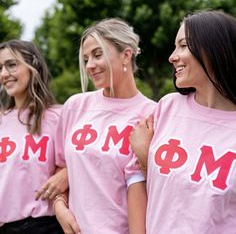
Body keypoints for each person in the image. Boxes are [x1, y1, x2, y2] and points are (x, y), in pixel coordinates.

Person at [130, 10, 236, 234]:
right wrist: (144, 159)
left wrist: (146, 158)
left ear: (215, 48)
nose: (172, 56)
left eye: (183, 45)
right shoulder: (167, 108)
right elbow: (140, 180)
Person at [54, 18, 157, 234]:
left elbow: (148, 184)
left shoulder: (152, 114)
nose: (89, 65)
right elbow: (60, 167)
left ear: (126, 55)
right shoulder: (75, 106)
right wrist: (59, 206)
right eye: (85, 58)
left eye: (97, 55)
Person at [0, 39, 68, 234]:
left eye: (11, 65)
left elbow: (82, 161)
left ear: (33, 66)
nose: (4, 74)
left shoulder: (59, 116)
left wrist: (67, 173)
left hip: (46, 226)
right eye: (0, 68)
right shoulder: (1, 121)